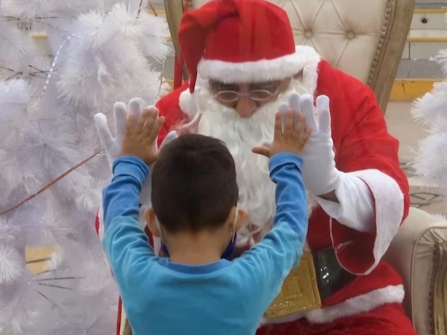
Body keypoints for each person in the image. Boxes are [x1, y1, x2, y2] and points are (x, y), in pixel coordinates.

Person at [97, 0, 415, 335]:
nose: (245, 107)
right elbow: (291, 230)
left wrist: (332, 186)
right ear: (207, 81)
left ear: (291, 74)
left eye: (263, 89)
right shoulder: (177, 114)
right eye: (227, 90)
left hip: (341, 306)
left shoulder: (338, 99)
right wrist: (149, 194)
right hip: (213, 317)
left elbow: (392, 192)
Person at [99, 104, 313, 335]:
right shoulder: (250, 282)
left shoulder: (136, 276)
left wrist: (130, 163)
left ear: (151, 219)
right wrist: (287, 163)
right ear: (237, 218)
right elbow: (292, 228)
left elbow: (118, 219)